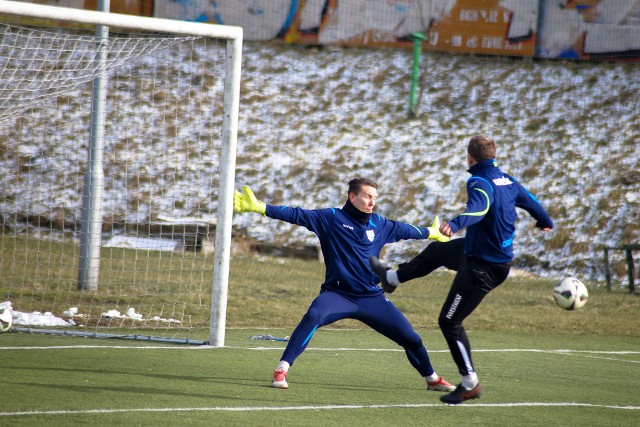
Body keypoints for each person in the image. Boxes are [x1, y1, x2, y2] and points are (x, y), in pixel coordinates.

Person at [370, 135, 553, 404]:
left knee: (449, 321)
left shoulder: (478, 181)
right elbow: (531, 201)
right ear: (493, 155)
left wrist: (455, 223)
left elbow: (480, 209)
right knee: (438, 251)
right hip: (480, 253)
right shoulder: (508, 180)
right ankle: (393, 277)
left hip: (485, 267)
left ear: (470, 158)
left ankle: (470, 383)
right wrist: (544, 220)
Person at [233, 178, 455, 392]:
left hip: (372, 298)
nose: (372, 202)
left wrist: (432, 232)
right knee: (313, 315)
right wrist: (261, 207)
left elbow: (407, 230)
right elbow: (296, 214)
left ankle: (432, 379)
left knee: (412, 339)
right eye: (367, 196)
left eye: (375, 197)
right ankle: (281, 369)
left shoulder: (379, 224)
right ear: (352, 196)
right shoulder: (331, 217)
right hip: (337, 295)